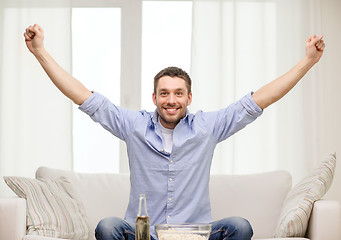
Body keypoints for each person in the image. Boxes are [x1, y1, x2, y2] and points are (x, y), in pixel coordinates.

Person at [24, 24, 325, 240]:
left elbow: (261, 98)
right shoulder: (134, 125)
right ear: (154, 98)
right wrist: (40, 52)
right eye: (164, 93)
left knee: (240, 226)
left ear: (189, 98)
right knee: (107, 227)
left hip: (195, 235)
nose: (171, 100)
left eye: (178, 93)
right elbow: (82, 95)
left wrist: (308, 61)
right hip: (144, 235)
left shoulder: (207, 127)